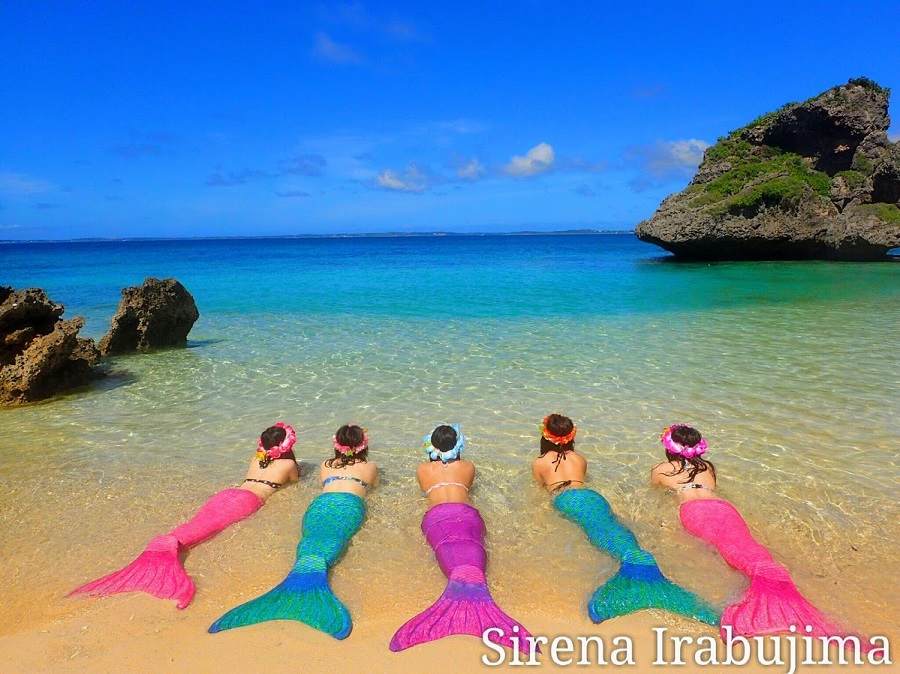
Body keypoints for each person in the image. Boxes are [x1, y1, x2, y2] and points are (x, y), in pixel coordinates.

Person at [651, 424, 863, 646]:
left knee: (719, 552)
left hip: (695, 512)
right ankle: (767, 581)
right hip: (724, 509)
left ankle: (755, 599)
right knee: (742, 548)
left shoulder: (661, 470)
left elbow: (658, 492)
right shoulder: (708, 468)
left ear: (669, 447)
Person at [70, 422, 300, 609]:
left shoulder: (256, 459)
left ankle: (168, 542)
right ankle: (167, 552)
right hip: (249, 500)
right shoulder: (288, 463)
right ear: (286, 445)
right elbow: (293, 481)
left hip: (227, 494)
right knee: (211, 528)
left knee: (199, 524)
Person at [532, 414, 719, 626]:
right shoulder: (579, 459)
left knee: (598, 531)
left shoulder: (539, 462)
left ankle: (636, 567)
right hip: (594, 497)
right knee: (609, 526)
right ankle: (637, 558)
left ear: (545, 436)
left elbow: (542, 489)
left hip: (567, 499)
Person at [210, 424, 376, 640]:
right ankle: (309, 592)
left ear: (336, 445)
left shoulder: (325, 465)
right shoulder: (370, 466)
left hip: (319, 505)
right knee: (334, 539)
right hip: (348, 506)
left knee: (312, 538)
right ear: (363, 445)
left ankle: (296, 586)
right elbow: (373, 486)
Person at [390, 424, 532, 654]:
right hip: (467, 515)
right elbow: (468, 487)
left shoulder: (422, 469)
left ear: (431, 445)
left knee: (447, 552)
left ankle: (458, 604)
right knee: (470, 549)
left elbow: (425, 490)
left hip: (436, 518)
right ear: (458, 445)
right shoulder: (468, 466)